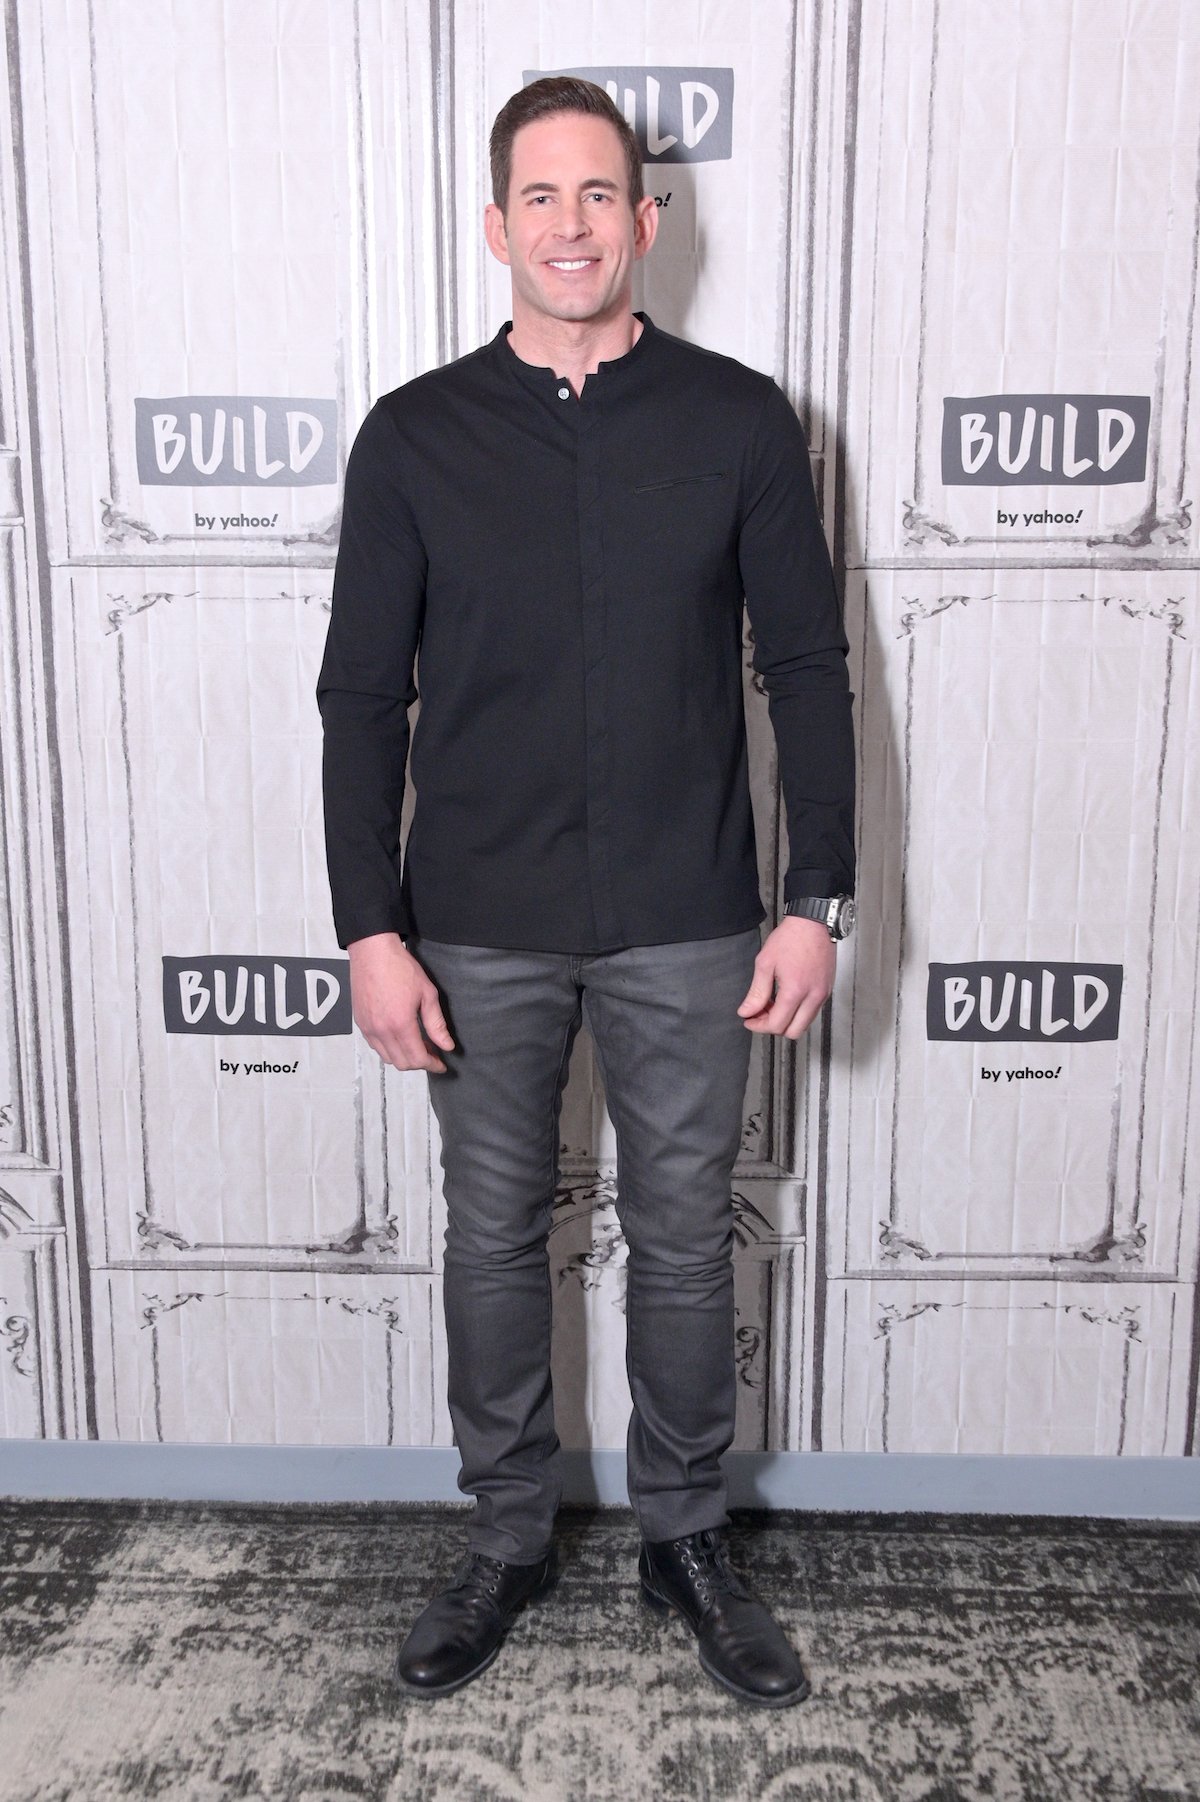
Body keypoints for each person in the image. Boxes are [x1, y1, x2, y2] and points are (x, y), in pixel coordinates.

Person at [316, 75, 856, 1709]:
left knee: (685, 1240)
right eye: (540, 198)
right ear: (499, 227)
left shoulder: (741, 421)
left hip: (693, 915)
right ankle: (504, 1534)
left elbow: (809, 665)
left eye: (599, 194)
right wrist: (368, 927)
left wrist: (816, 895)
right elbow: (363, 699)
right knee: (493, 1238)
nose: (571, 225)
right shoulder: (414, 434)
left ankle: (686, 1534)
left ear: (647, 218)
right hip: (472, 920)